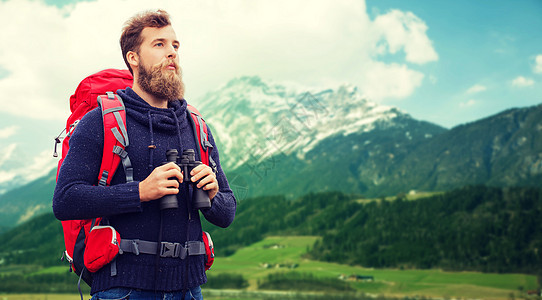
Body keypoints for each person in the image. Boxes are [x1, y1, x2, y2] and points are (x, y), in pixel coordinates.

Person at [53, 9, 236, 300]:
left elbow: (227, 214)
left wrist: (213, 194)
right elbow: (65, 200)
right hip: (123, 289)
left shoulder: (196, 126)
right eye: (159, 44)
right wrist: (140, 192)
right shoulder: (101, 121)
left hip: (189, 289)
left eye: (175, 45)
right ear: (133, 58)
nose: (172, 53)